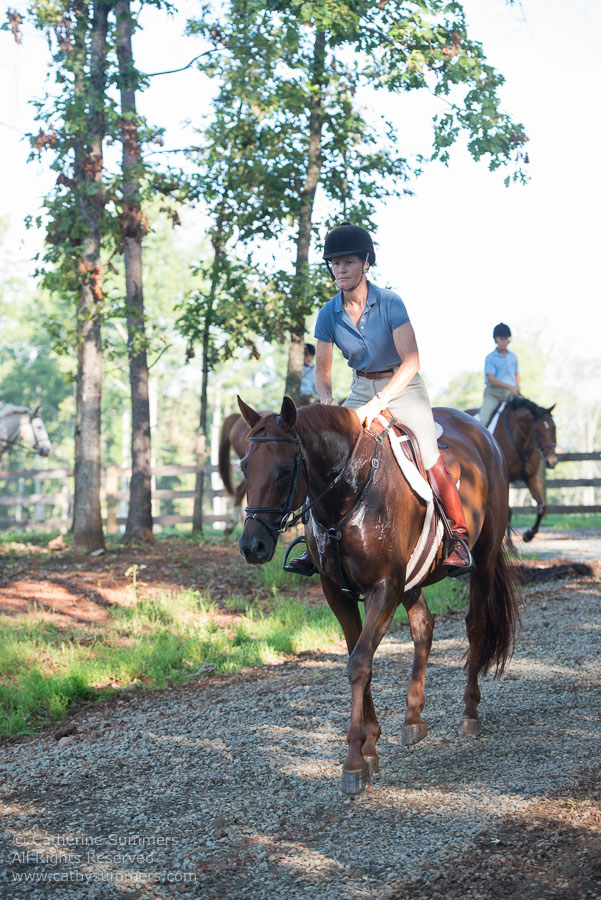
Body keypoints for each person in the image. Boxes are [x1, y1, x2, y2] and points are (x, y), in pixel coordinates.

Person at [288, 222, 473, 577]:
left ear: (366, 263)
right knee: (327, 452)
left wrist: (382, 400)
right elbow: (323, 372)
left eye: (348, 263)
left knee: (429, 452)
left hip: (402, 384)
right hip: (359, 387)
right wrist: (327, 401)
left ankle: (458, 537)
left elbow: (413, 360)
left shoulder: (389, 302)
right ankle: (315, 543)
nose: (340, 270)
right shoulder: (328, 313)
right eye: (335, 264)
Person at [480, 323, 520, 427]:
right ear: (496, 339)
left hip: (510, 394)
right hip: (494, 393)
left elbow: (516, 374)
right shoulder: (490, 358)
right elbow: (492, 379)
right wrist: (511, 387)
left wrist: (517, 387)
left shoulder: (513, 357)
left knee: (526, 413)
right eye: (501, 338)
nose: (503, 341)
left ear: (508, 339)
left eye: (505, 338)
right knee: (483, 420)